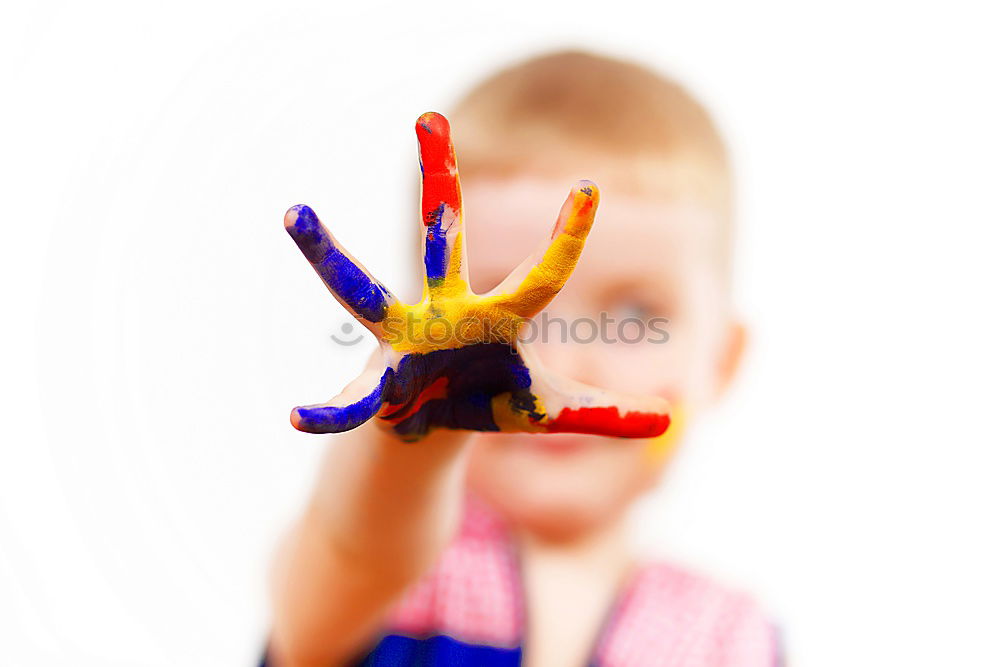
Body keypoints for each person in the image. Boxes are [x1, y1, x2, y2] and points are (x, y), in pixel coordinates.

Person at [265, 50, 779, 666]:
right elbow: (355, 550)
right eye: (491, 322)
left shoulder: (725, 636)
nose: (559, 359)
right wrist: (405, 442)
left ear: (722, 361)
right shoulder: (397, 575)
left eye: (636, 315)